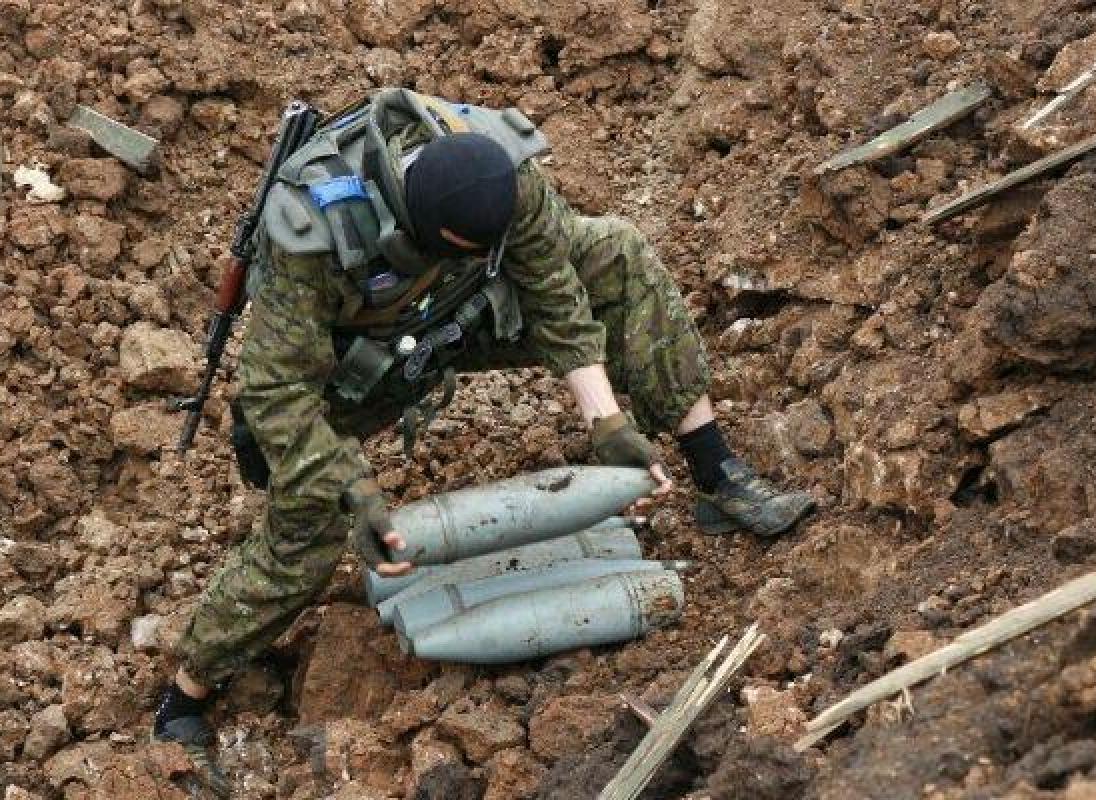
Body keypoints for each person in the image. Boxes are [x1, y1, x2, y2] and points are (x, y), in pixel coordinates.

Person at [153, 89, 814, 794]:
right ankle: (184, 701)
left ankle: (718, 471)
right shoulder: (314, 233)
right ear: (433, 236)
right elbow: (276, 389)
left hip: (465, 315)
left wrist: (607, 420)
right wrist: (358, 491)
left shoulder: (506, 176)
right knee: (309, 530)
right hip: (351, 374)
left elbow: (554, 288)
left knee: (617, 251)